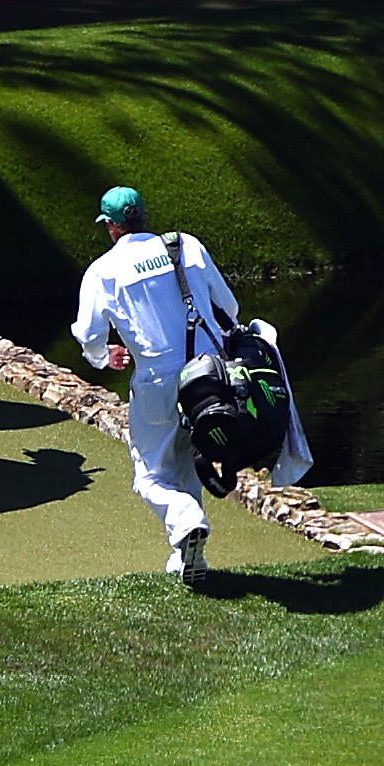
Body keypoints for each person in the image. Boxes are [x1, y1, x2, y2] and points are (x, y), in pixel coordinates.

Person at [72, 184, 251, 587]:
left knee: (150, 474)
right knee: (189, 456)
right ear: (143, 217)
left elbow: (89, 335)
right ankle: (187, 554)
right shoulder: (186, 245)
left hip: (158, 378)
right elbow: (229, 307)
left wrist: (103, 357)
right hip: (210, 371)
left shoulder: (103, 270)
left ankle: (186, 522)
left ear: (112, 226)